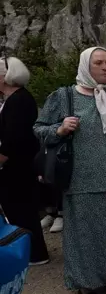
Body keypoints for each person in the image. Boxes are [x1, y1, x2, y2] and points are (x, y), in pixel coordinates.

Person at [34, 47, 106, 294]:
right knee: (85, 234)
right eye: (98, 63)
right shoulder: (64, 97)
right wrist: (60, 129)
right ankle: (86, 283)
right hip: (81, 180)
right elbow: (38, 128)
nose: (105, 68)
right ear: (85, 67)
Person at [0, 56, 49, 265]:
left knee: (22, 209)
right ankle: (31, 250)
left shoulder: (19, 101)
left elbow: (13, 138)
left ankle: (34, 253)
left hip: (18, 166)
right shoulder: (16, 99)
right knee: (18, 209)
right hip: (18, 164)